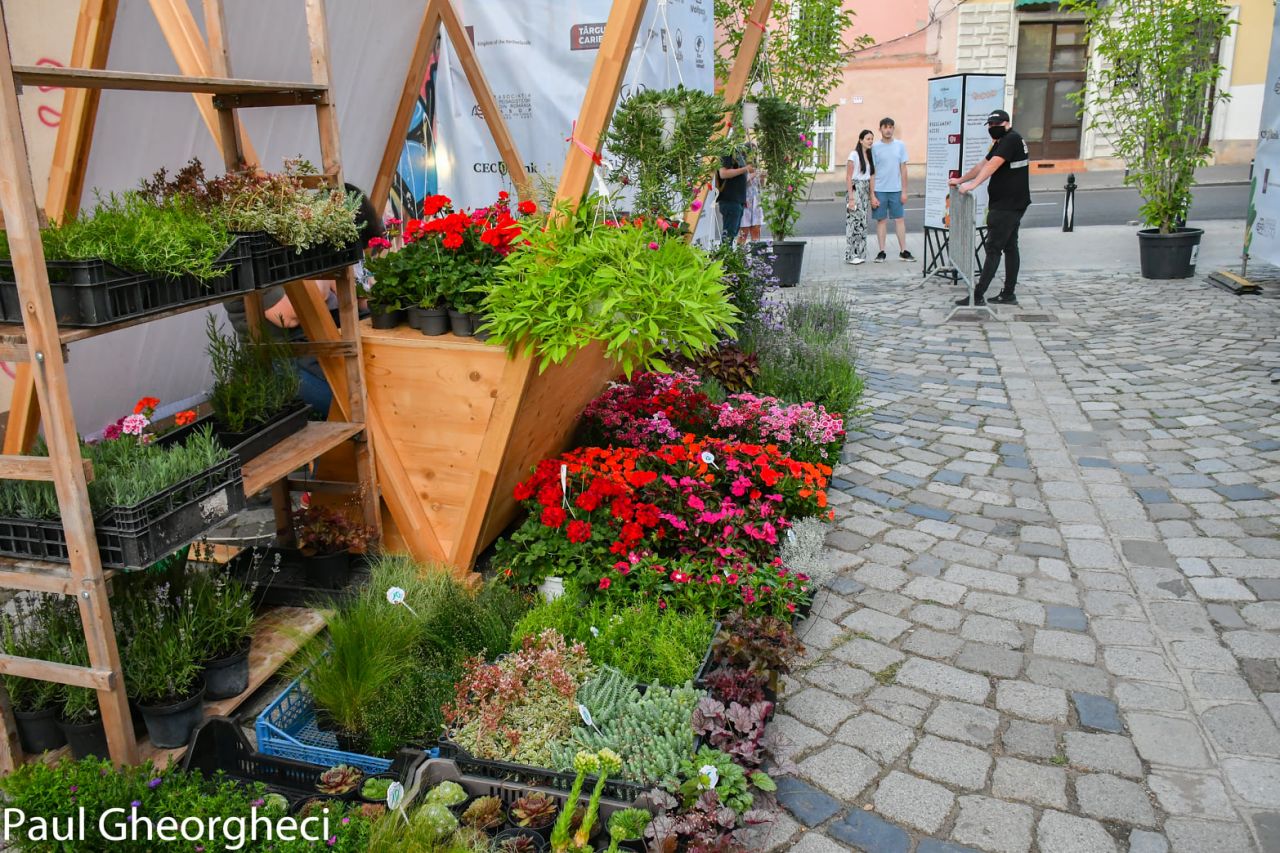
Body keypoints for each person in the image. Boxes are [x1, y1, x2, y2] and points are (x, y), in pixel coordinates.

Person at [224, 184, 384, 417]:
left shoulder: (289, 248)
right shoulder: (249, 258)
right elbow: (288, 315)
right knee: (363, 405)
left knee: (387, 384)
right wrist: (319, 259)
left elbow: (358, 297)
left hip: (316, 351)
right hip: (281, 361)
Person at [950, 109, 1031, 306]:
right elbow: (982, 164)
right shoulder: (1003, 141)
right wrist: (961, 179)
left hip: (1007, 205)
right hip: (1012, 203)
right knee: (1010, 246)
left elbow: (993, 165)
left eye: (997, 125)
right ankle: (1008, 293)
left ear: (1007, 123)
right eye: (990, 125)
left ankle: (978, 295)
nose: (993, 128)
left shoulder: (1011, 140)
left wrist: (972, 185)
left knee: (994, 248)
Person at [870, 117, 913, 263]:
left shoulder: (900, 145)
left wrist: (905, 191)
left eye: (890, 127)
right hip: (880, 190)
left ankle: (903, 251)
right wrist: (872, 194)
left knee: (899, 220)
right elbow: (872, 172)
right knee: (881, 221)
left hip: (896, 189)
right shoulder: (874, 148)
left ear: (893, 129)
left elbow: (904, 169)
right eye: (885, 127)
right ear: (880, 129)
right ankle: (881, 252)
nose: (888, 130)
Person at [845, 129, 875, 264]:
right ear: (861, 140)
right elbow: (849, 177)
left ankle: (860, 254)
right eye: (868, 139)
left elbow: (871, 176)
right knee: (854, 222)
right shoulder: (854, 155)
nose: (870, 141)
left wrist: (872, 195)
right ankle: (851, 255)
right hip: (856, 189)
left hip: (864, 190)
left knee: (862, 223)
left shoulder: (869, 155)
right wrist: (851, 198)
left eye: (872, 139)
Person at [717, 147, 753, 243]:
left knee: (732, 234)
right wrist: (745, 169)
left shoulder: (739, 155)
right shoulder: (727, 152)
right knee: (729, 235)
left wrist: (743, 198)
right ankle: (724, 255)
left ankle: (727, 255)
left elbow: (739, 181)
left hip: (737, 201)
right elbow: (723, 173)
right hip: (730, 200)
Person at [739, 159, 764, 244]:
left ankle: (756, 253)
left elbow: (760, 186)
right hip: (745, 203)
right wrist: (754, 174)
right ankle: (740, 253)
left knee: (756, 230)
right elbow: (742, 183)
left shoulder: (756, 170)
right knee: (743, 232)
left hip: (756, 203)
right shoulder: (741, 171)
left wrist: (762, 178)